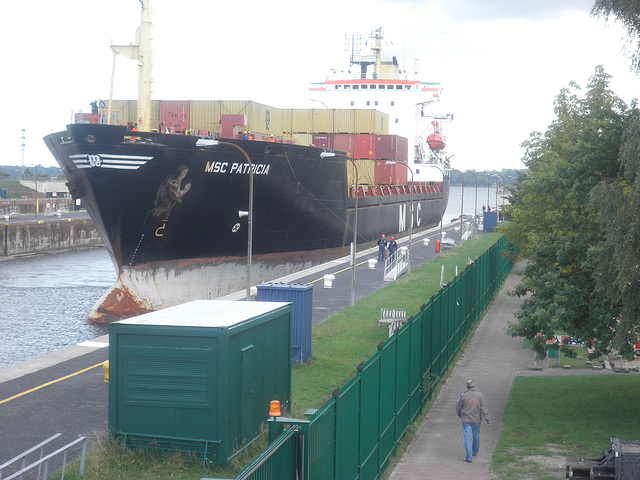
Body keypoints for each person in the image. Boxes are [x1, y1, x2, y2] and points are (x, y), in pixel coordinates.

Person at [456, 379, 491, 463]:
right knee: (476, 436)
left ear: (467, 387)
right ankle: (475, 451)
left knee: (467, 438)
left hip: (466, 420)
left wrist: (461, 416)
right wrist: (488, 420)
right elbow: (484, 409)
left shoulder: (463, 396)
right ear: (474, 386)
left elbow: (458, 408)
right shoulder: (480, 396)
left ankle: (469, 457)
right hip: (476, 420)